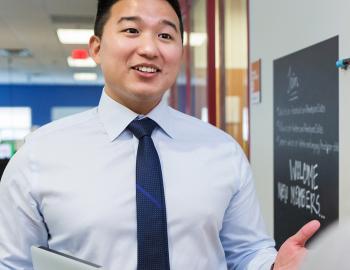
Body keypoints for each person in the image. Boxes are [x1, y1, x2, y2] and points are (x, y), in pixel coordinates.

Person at [0, 0, 320, 269]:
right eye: (131, 30)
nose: (150, 48)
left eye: (166, 35)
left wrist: (276, 265)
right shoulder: (39, 155)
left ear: (180, 51)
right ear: (96, 47)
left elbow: (247, 251)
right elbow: (11, 263)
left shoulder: (222, 150)